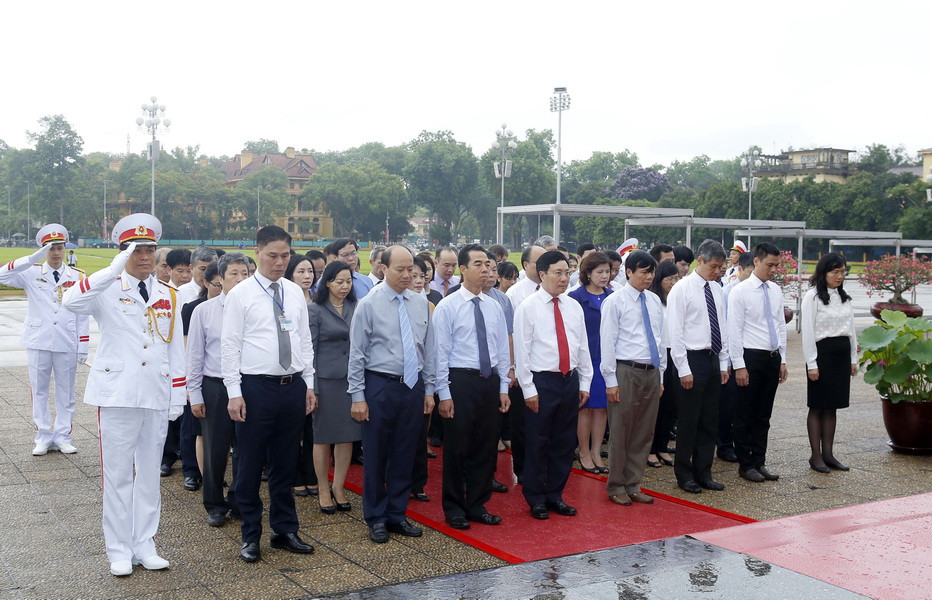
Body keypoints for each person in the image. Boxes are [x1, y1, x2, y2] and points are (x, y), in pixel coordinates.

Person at [62, 214, 185, 577]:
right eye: (136, 250)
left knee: (148, 474)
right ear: (123, 252)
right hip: (117, 393)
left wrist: (177, 394)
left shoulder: (168, 294)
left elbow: (174, 347)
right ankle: (117, 547)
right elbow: (70, 302)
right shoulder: (105, 288)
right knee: (117, 475)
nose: (145, 257)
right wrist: (112, 269)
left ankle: (144, 543)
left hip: (156, 393)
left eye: (150, 249)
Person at [221, 226, 318, 563]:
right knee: (248, 463)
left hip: (291, 387)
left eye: (285, 256)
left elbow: (304, 340)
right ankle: (251, 533)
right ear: (257, 252)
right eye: (272, 255)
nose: (279, 262)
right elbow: (230, 347)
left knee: (285, 461)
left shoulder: (293, 292)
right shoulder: (241, 294)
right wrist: (234, 393)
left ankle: (284, 529)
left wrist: (310, 383)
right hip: (255, 388)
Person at [348, 245, 436, 544]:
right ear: (384, 268)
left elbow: (430, 350)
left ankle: (397, 513)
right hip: (379, 385)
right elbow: (357, 354)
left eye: (411, 268)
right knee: (376, 454)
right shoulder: (369, 304)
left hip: (412, 386)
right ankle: (376, 517)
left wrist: (430, 389)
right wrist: (358, 396)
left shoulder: (420, 302)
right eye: (400, 269)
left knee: (405, 452)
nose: (407, 274)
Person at [433, 245, 511, 530]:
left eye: (488, 265)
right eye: (477, 264)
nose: (485, 270)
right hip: (460, 381)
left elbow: (503, 350)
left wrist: (503, 386)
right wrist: (444, 393)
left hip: (489, 382)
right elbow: (440, 353)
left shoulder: (494, 306)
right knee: (457, 448)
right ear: (463, 269)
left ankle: (477, 504)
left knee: (485, 446)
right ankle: (454, 507)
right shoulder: (448, 306)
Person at [514, 250, 592, 520]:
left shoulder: (573, 306)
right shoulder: (528, 306)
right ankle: (535, 497)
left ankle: (555, 495)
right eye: (557, 273)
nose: (563, 278)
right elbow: (522, 352)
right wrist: (528, 389)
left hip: (569, 381)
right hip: (542, 381)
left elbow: (582, 347)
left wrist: (586, 382)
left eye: (567, 272)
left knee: (563, 442)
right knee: (538, 441)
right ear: (542, 273)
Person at [0, 224, 89, 456]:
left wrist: (84, 345)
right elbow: (2, 274)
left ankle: (63, 436)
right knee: (39, 391)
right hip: (38, 340)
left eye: (59, 247)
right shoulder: (31, 272)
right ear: (43, 251)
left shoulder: (78, 276)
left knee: (66, 392)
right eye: (50, 249)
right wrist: (30, 259)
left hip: (67, 341)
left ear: (64, 248)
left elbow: (82, 313)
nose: (56, 253)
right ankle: (42, 435)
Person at [186, 252, 250, 527]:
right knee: (215, 449)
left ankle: (239, 498)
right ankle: (214, 503)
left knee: (247, 448)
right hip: (216, 386)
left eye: (245, 274)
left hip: (249, 384)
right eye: (233, 274)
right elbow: (195, 356)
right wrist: (195, 393)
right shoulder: (205, 311)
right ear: (219, 279)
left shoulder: (255, 307)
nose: (240, 279)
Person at [599, 250, 664, 507]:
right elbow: (607, 343)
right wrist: (610, 381)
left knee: (643, 431)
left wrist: (662, 375)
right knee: (621, 430)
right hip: (625, 371)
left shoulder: (654, 300)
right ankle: (616, 485)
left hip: (651, 371)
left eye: (651, 272)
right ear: (628, 272)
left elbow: (659, 339)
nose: (648, 277)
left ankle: (634, 483)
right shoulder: (615, 302)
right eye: (643, 272)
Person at [666, 239, 730, 494]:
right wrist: (683, 369)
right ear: (700, 261)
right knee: (689, 421)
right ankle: (684, 474)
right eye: (713, 266)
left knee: (709, 420)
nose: (717, 272)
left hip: (712, 358)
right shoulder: (681, 290)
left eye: (721, 267)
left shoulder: (716, 289)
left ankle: (704, 471)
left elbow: (721, 327)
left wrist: (723, 363)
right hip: (690, 359)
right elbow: (676, 331)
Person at [726, 242, 788, 484]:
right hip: (750, 357)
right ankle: (746, 463)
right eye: (769, 265)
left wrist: (782, 359)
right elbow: (734, 330)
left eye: (777, 265)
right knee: (744, 414)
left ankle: (760, 460)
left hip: (771, 358)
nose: (773, 270)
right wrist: (739, 365)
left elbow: (780, 326)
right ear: (756, 262)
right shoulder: (740, 291)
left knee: (764, 414)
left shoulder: (775, 290)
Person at [309, 261, 361, 512]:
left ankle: (339, 486)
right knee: (323, 437)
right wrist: (313, 387)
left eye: (348, 281)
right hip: (326, 381)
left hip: (351, 381)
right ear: (327, 282)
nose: (344, 286)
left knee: (347, 437)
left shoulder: (357, 306)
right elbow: (311, 350)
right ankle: (322, 486)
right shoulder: (315, 309)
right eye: (339, 281)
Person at [801, 253, 857, 473]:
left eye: (843, 271)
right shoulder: (812, 297)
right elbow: (807, 332)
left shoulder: (844, 298)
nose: (839, 276)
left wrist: (853, 358)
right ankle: (816, 456)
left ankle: (829, 454)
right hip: (821, 355)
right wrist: (811, 364)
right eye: (835, 271)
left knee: (832, 407)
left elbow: (851, 330)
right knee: (817, 406)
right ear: (823, 272)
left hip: (841, 356)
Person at [568, 252, 614, 474]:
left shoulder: (613, 296)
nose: (604, 276)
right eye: (599, 272)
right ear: (587, 273)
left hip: (607, 360)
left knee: (602, 408)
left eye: (607, 271)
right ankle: (584, 451)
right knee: (584, 408)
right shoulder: (575, 297)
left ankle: (597, 451)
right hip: (585, 360)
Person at [504, 244, 546, 482]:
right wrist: (514, 368)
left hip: (546, 367)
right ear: (526, 265)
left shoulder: (557, 291)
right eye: (538, 262)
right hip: (522, 368)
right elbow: (510, 335)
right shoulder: (516, 294)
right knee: (521, 425)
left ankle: (542, 468)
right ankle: (521, 470)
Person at [285, 254, 319, 498]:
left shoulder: (319, 300)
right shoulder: (284, 300)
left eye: (310, 271)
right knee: (292, 431)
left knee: (312, 430)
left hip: (316, 371)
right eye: (301, 271)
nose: (307, 276)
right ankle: (295, 475)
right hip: (292, 372)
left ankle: (311, 474)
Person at [717, 251, 755, 463]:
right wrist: (728, 361)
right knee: (728, 405)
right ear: (741, 269)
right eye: (750, 271)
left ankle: (743, 442)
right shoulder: (728, 292)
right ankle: (724, 445)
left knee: (746, 404)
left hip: (751, 354)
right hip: (731, 358)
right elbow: (725, 329)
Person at [646, 259, 680, 468]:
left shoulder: (677, 300)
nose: (673, 283)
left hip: (676, 354)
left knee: (670, 406)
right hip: (659, 354)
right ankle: (649, 450)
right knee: (655, 407)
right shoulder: (653, 301)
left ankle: (662, 446)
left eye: (676, 278)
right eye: (669, 279)